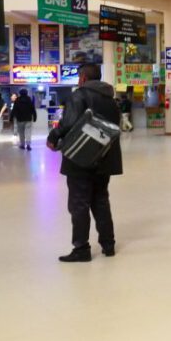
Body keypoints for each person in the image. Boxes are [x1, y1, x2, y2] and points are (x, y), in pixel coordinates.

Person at [46, 63, 122, 262]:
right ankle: (108, 245)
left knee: (79, 203)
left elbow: (68, 122)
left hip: (81, 158)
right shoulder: (110, 99)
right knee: (101, 201)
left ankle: (81, 248)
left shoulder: (79, 95)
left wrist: (53, 137)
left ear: (83, 78)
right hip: (104, 157)